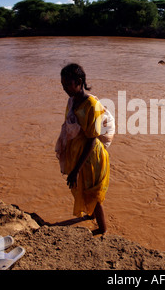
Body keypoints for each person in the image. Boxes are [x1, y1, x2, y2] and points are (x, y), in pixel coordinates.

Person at [55, 63, 110, 235]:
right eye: (62, 85)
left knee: (92, 194)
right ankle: (90, 216)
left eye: (67, 85)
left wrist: (75, 170)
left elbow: (92, 140)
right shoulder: (72, 101)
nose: (65, 89)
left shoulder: (91, 105)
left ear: (79, 81)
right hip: (77, 155)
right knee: (82, 190)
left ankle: (102, 230)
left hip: (90, 158)